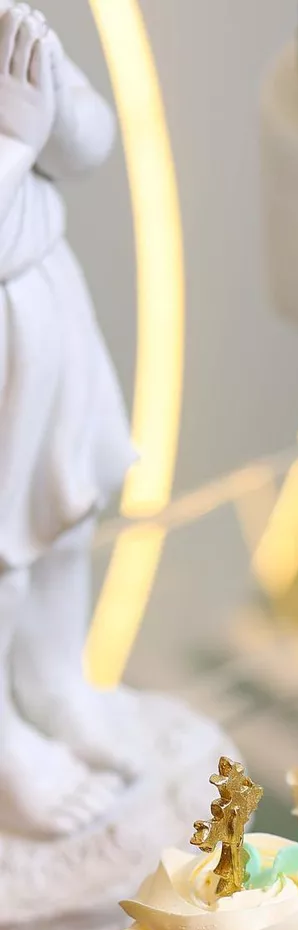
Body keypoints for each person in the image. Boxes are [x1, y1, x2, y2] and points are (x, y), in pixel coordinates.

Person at [0, 3, 139, 836]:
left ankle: (55, 683)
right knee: (1, 560)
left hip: (47, 305)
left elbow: (89, 144)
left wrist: (49, 95)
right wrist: (15, 140)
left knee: (67, 514)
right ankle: (4, 743)